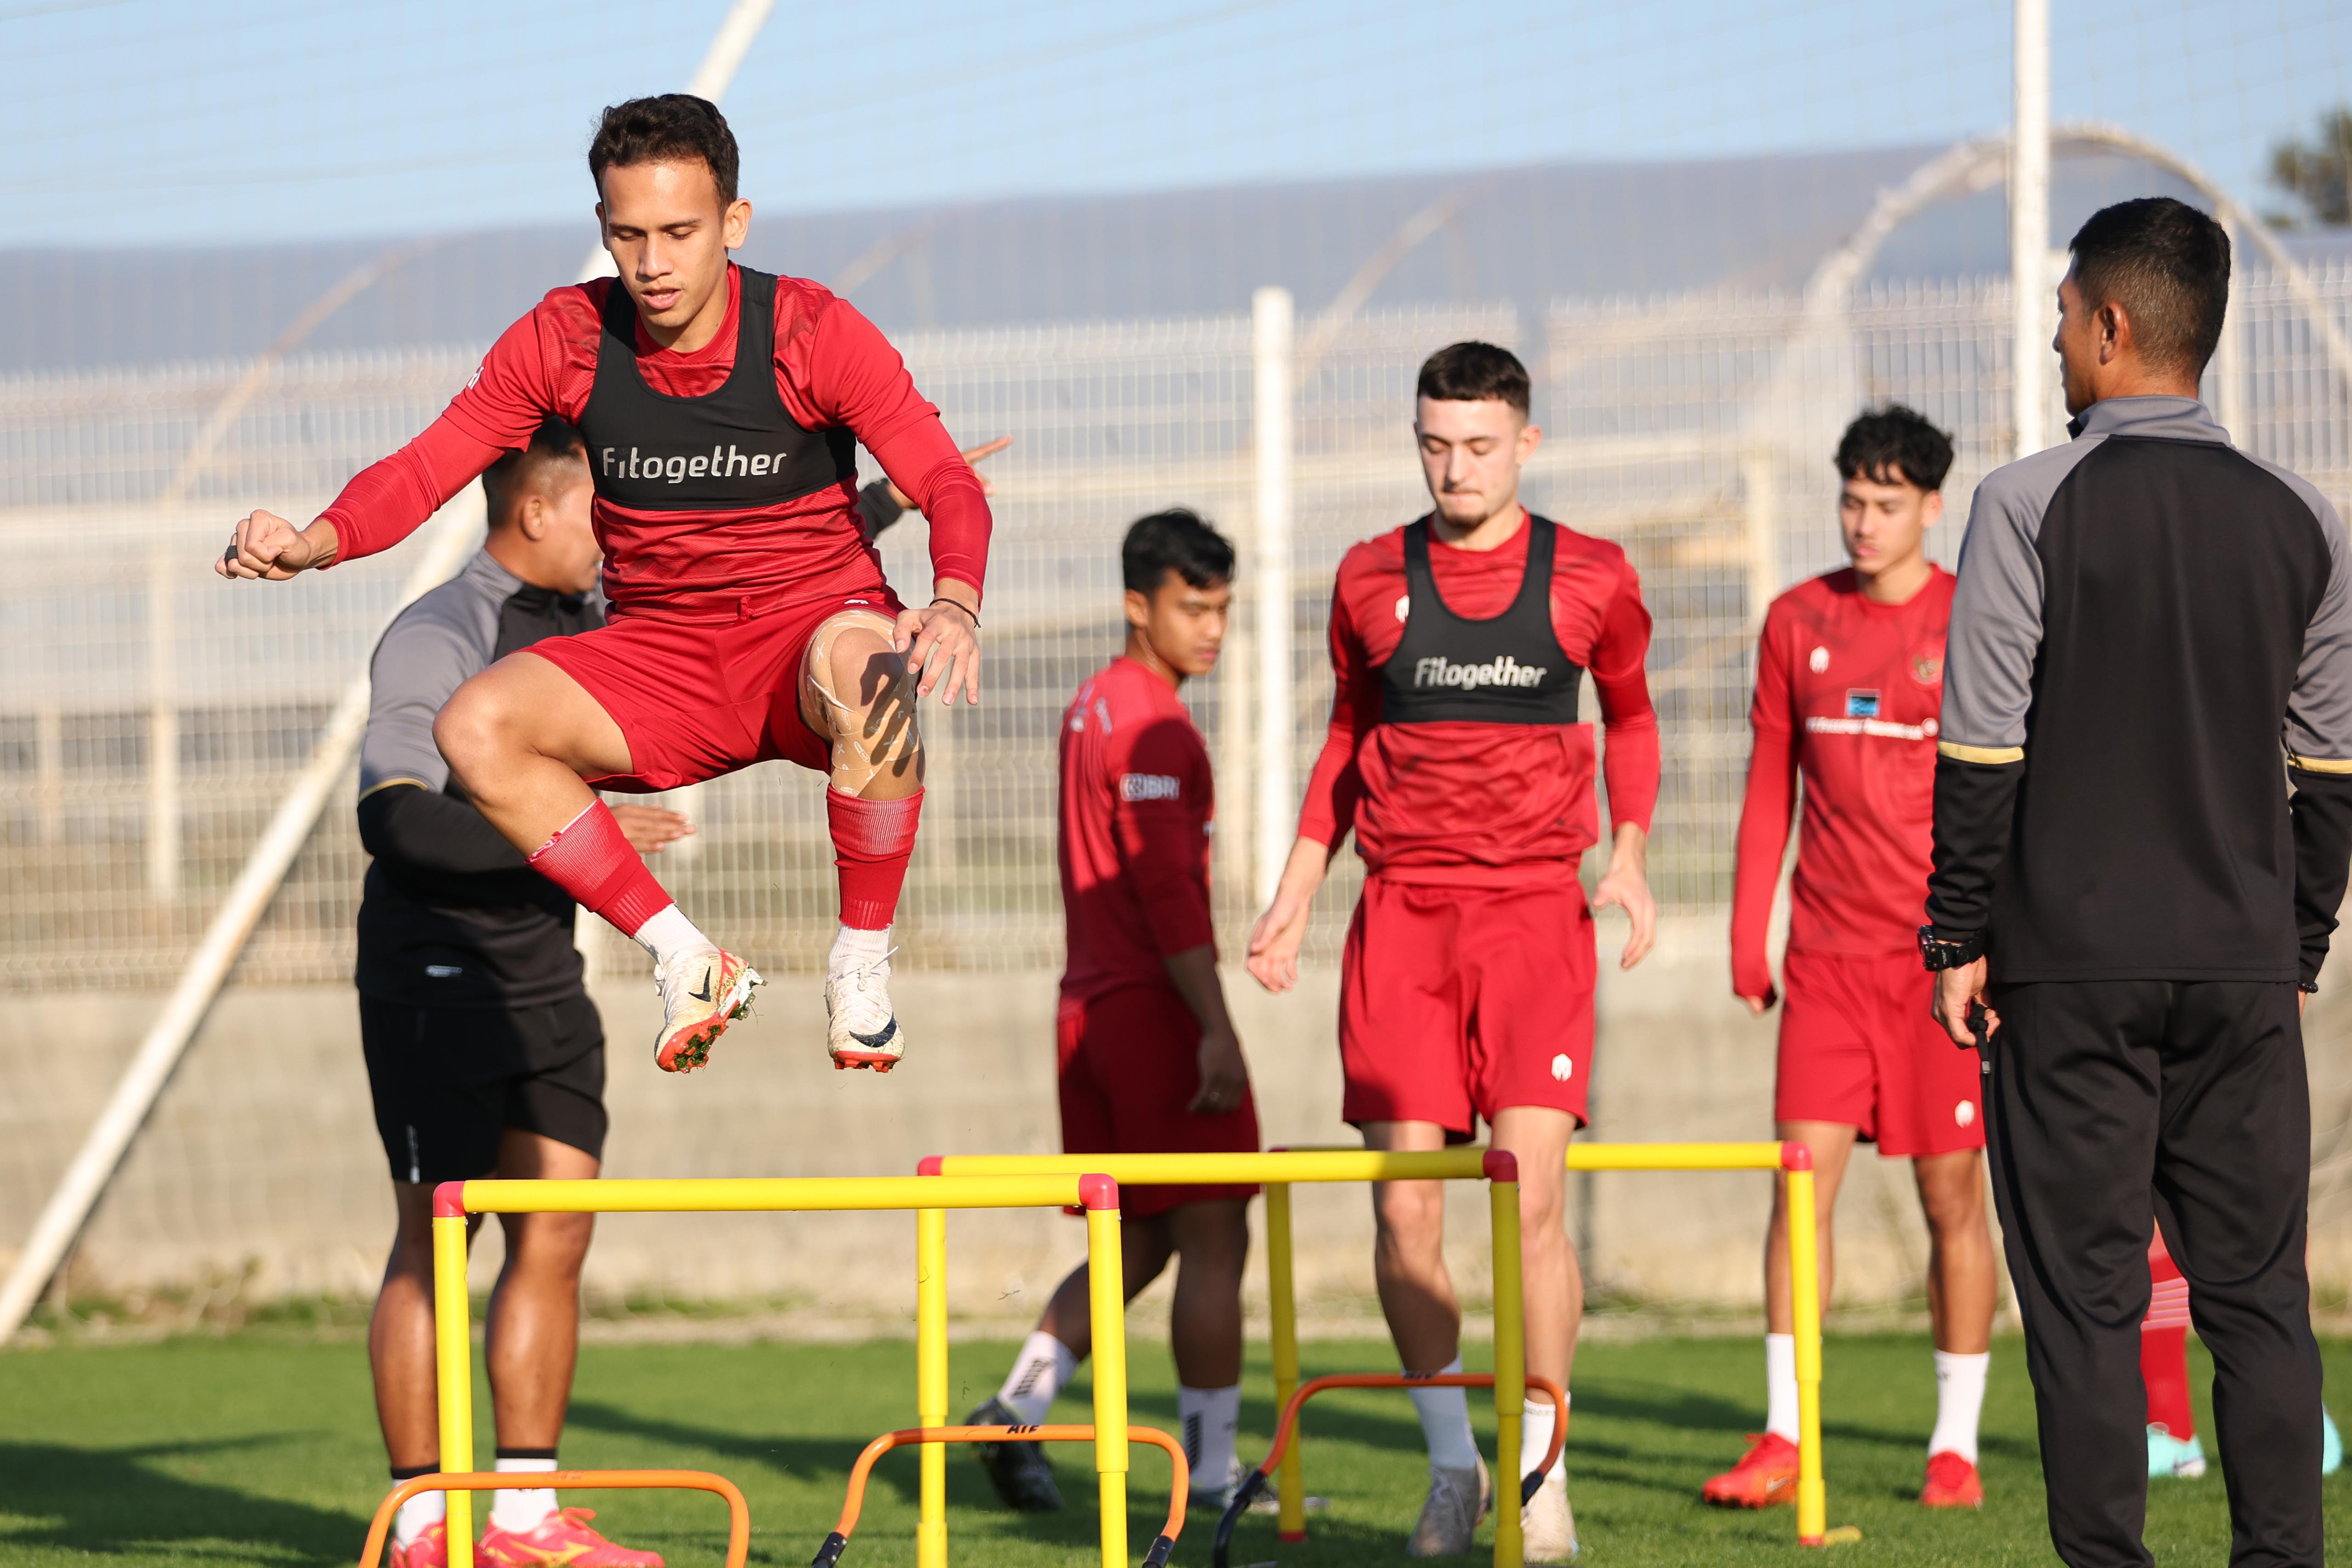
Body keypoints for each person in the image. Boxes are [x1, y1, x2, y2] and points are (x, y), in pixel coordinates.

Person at [216, 94, 992, 1078]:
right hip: (663, 658)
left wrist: (957, 599)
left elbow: (947, 482)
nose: (654, 263)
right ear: (602, 229)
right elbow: (426, 468)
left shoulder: (809, 329)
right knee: (474, 725)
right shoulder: (567, 336)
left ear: (734, 224)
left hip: (807, 646)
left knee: (873, 662)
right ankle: (686, 958)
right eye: (630, 235)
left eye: (680, 232)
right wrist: (314, 539)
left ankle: (861, 963)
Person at [1924, 195, 2352, 1568]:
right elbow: (2330, 766)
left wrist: (1954, 930)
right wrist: (2290, 946)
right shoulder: (2309, 522)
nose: (2051, 340)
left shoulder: (2019, 503)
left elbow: (1980, 740)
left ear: (2109, 326)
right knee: (2256, 1304)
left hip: (2066, 974)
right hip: (2236, 973)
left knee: (2084, 1308)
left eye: (2060, 315)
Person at [1247, 342, 1660, 1562]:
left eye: (1477, 445)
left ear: (1524, 444)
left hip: (1535, 916)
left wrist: (1626, 856)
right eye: (1433, 444)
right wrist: (1292, 894)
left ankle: (1540, 1473)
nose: (1453, 467)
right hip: (1402, 921)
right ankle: (1450, 1465)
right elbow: (1342, 737)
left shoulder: (1589, 574)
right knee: (1404, 1214)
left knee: (1527, 1197)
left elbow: (1630, 717)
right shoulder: (1369, 574)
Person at [359, 420, 684, 1568]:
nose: (624, 535)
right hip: (434, 972)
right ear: (538, 510)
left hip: (547, 975)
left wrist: (880, 514)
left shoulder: (593, 628)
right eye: (606, 510)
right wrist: (561, 843)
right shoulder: (438, 631)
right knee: (436, 1239)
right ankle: (421, 1522)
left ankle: (523, 1521)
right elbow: (393, 816)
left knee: (556, 1230)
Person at [1705, 406, 1999, 1512]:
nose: (1865, 522)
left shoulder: (1974, 616)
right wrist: (1750, 928)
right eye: (1852, 501)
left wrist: (1993, 949)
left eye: (1888, 504)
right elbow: (1767, 783)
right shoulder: (1796, 620)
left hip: (1937, 968)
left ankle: (1956, 1444)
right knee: (1797, 1192)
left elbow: (2006, 796)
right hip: (1824, 962)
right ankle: (1784, 1430)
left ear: (1931, 505)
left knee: (1952, 1197)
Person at [967, 509, 1259, 1515]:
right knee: (1217, 1231)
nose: (1213, 628)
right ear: (1138, 605)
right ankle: (1215, 1472)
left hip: (1087, 1007)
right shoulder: (1156, 725)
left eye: (1222, 608)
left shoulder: (1094, 702)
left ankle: (1017, 1405)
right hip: (1151, 1012)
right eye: (1193, 607)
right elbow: (1165, 888)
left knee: (1138, 1240)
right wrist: (1216, 1022)